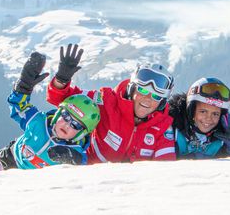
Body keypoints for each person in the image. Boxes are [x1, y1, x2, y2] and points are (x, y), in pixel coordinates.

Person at [46, 44, 176, 163]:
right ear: (131, 89)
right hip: (87, 174)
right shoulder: (106, 101)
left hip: (132, 185)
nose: (147, 99)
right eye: (142, 90)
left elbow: (164, 168)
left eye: (156, 96)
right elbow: (63, 99)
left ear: (162, 103)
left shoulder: (163, 127)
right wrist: (61, 80)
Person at [0, 52, 100, 169]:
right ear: (58, 113)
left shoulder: (74, 150)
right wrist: (24, 86)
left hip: (34, 181)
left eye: (76, 125)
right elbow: (18, 106)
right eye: (66, 116)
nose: (67, 125)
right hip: (11, 159)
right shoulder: (38, 122)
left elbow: (83, 164)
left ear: (81, 133)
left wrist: (73, 158)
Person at [169, 77, 230, 158]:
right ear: (192, 110)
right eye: (203, 111)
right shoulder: (173, 130)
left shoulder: (221, 139)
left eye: (215, 114)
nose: (208, 118)